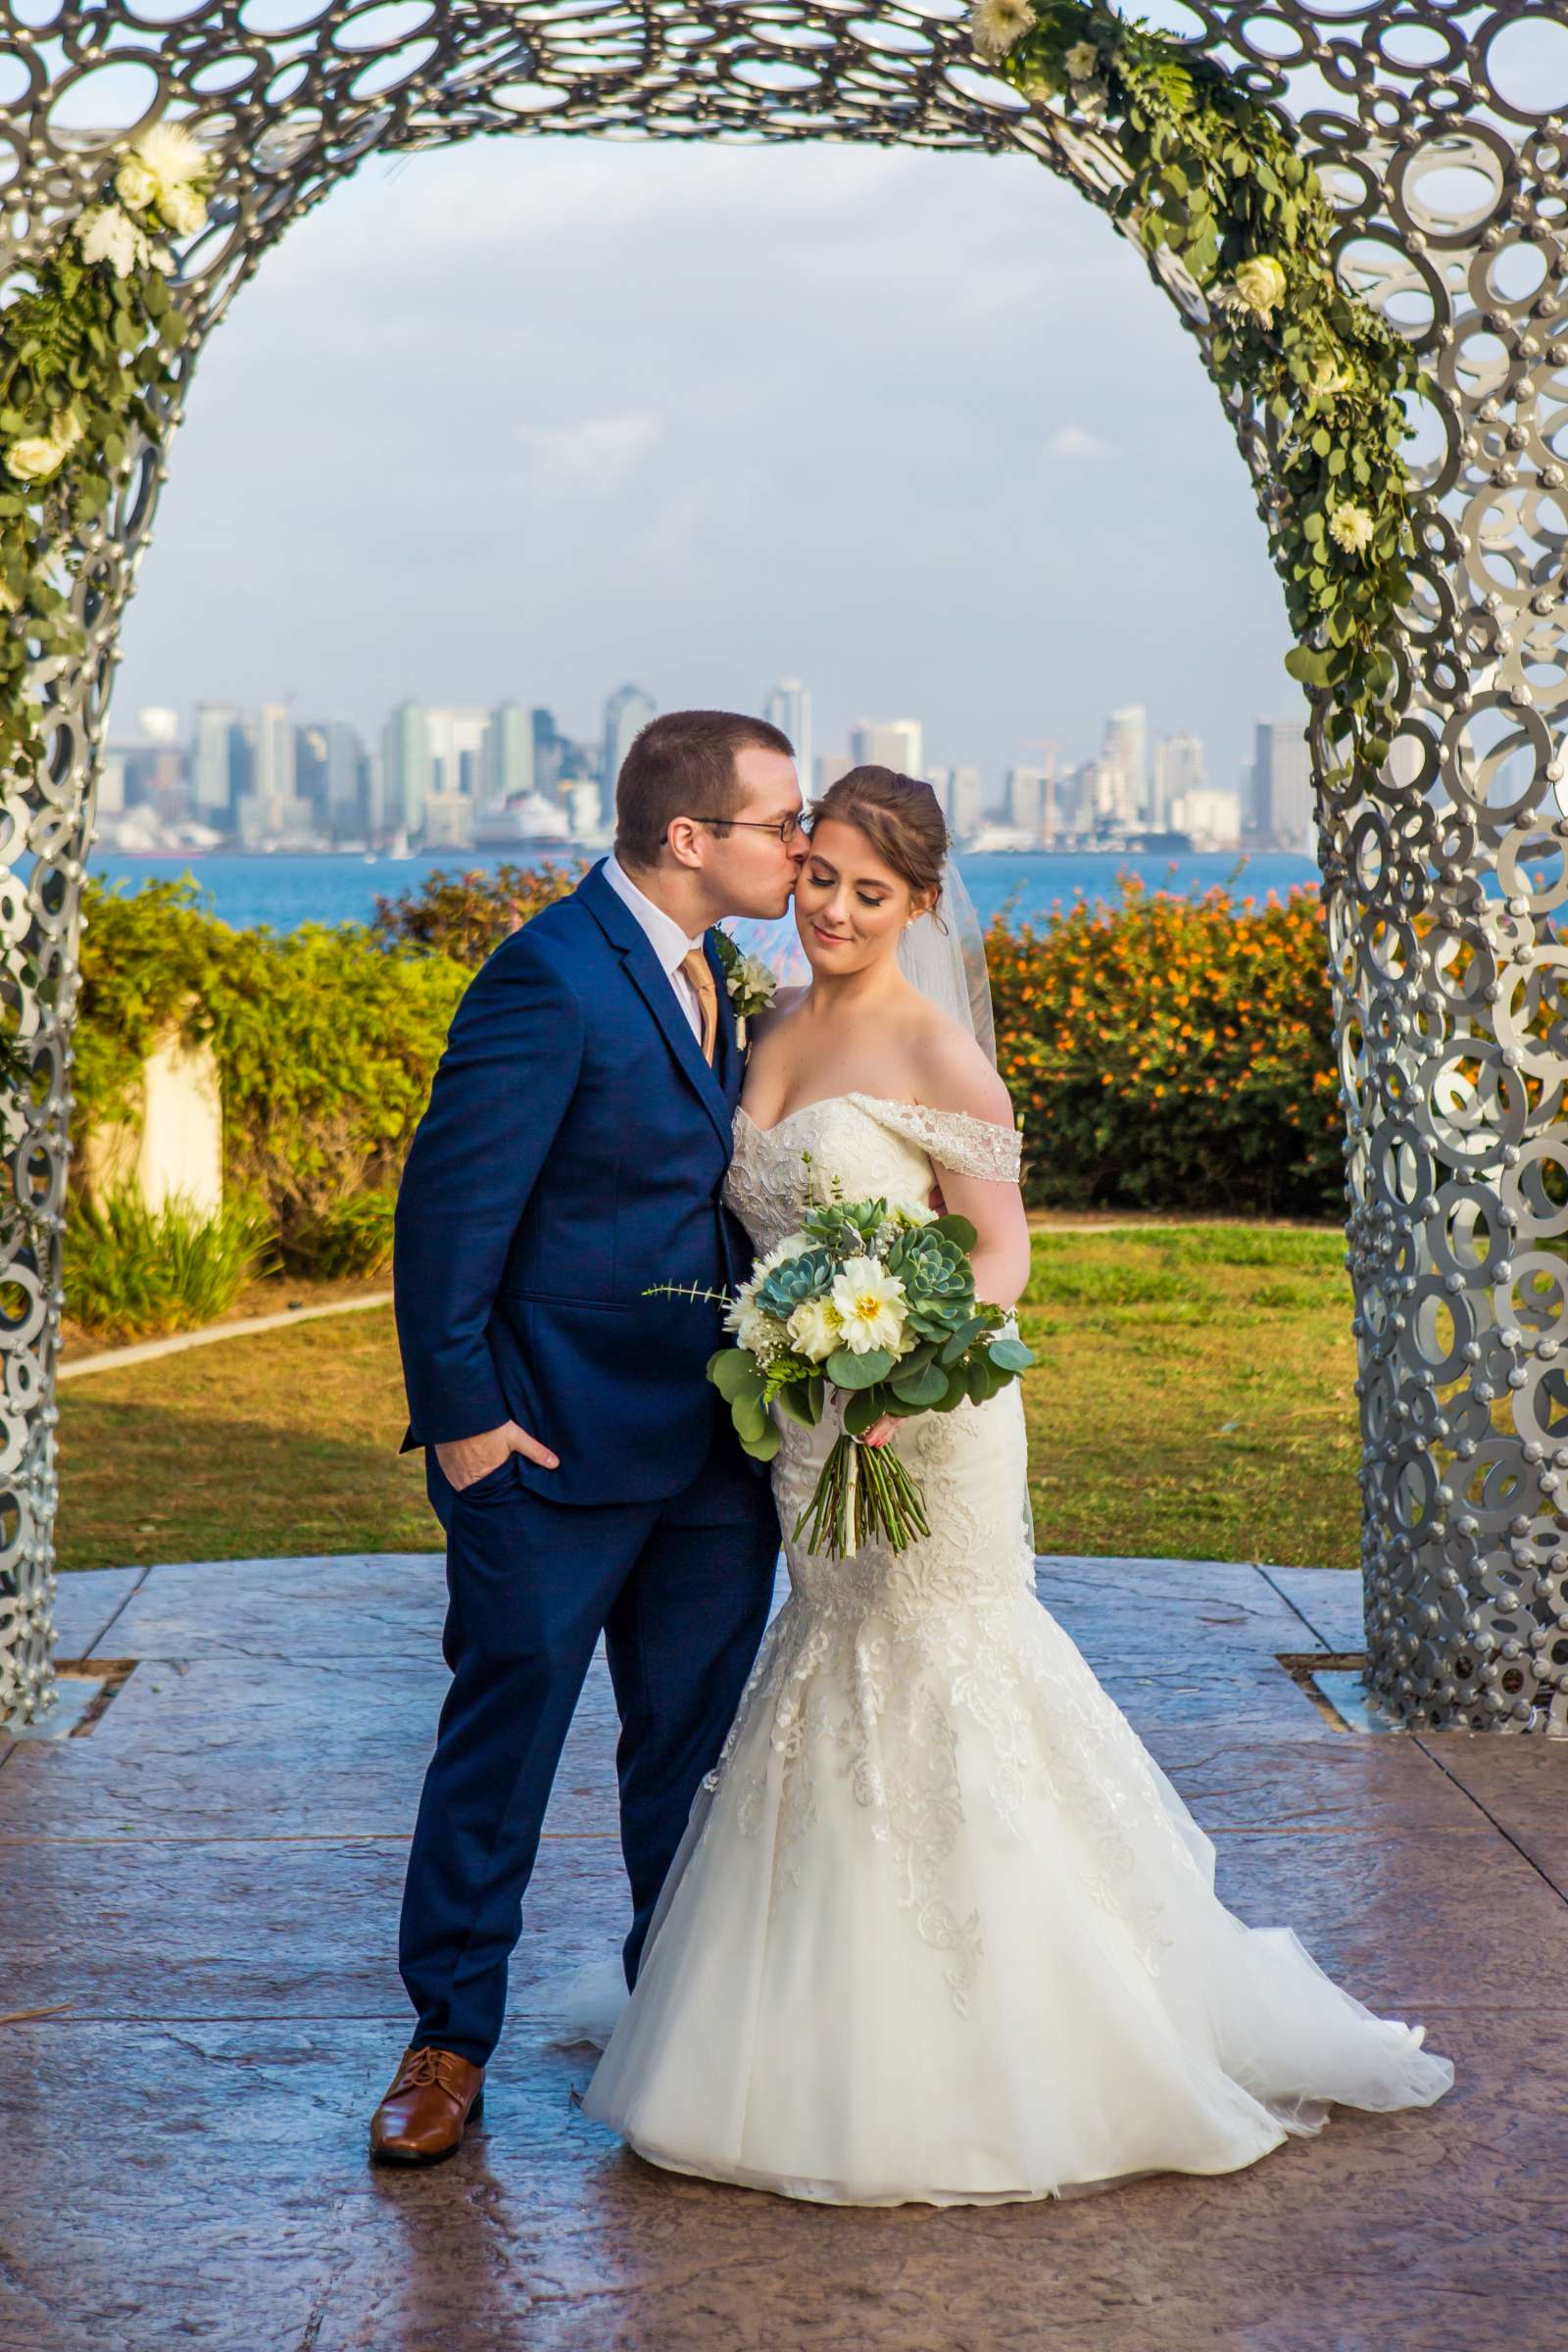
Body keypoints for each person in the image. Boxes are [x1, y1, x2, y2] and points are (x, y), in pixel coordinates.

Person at [575, 764, 1455, 2207]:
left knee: (947, 1670)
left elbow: (998, 1254)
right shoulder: (768, 1023)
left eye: (872, 891)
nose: (837, 910)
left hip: (927, 1418)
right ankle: (806, 2011)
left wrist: (901, 1361)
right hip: (808, 1420)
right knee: (827, 1678)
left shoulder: (936, 1052)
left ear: (920, 906)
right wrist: (814, 1370)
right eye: (820, 879)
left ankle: (1023, 2034)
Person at [369, 710, 806, 2164]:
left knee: (685, 1759)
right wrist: (467, 1426)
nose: (801, 848)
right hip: (545, 1448)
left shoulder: (716, 975)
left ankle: (672, 2029)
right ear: (690, 839)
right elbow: (446, 1220)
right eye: (779, 823)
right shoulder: (545, 978)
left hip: (711, 1455)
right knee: (505, 1747)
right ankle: (445, 2044)